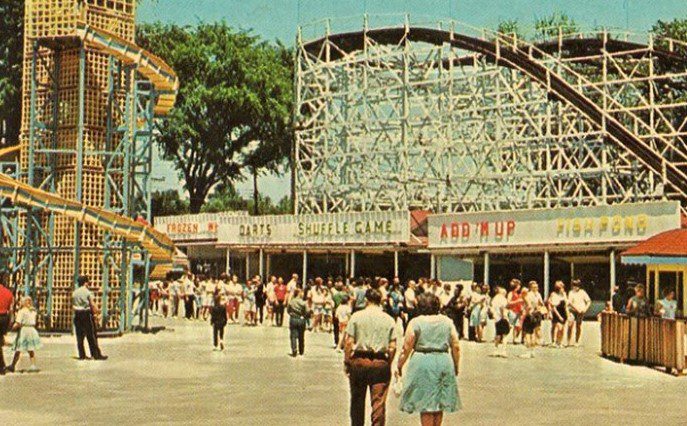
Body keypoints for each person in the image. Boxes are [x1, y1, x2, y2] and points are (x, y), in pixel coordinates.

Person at [397, 292, 461, 426]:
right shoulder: (447, 321)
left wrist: (399, 365)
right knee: (439, 401)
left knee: (426, 402)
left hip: (423, 361)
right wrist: (456, 365)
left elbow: (406, 347)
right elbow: (455, 345)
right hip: (443, 360)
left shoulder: (416, 322)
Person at [344, 288, 397, 426]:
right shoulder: (389, 319)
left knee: (357, 400)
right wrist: (388, 362)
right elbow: (393, 346)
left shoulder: (356, 316)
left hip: (360, 360)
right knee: (378, 402)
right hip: (380, 361)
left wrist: (347, 361)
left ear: (366, 300)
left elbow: (348, 342)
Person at [73, 276, 108, 360]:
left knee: (79, 336)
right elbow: (92, 304)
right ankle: (96, 354)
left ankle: (82, 355)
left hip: (77, 314)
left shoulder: (74, 293)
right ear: (85, 282)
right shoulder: (87, 292)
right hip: (86, 314)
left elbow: (73, 305)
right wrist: (97, 311)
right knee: (91, 335)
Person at [5, 296, 42, 373]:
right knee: (31, 348)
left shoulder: (22, 311)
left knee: (18, 348)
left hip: (24, 330)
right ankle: (33, 365)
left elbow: (18, 323)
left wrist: (10, 329)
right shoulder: (33, 311)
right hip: (32, 330)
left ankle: (13, 365)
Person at [567, 279, 591, 347]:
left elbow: (588, 301)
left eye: (577, 285)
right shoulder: (571, 292)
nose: (575, 287)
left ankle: (577, 341)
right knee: (570, 324)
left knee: (578, 325)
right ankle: (568, 340)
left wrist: (585, 309)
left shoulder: (583, 292)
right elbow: (570, 302)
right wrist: (576, 309)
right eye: (574, 285)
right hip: (573, 310)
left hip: (581, 311)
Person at [287, 288, 309, 357]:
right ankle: (301, 350)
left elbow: (288, 310)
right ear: (299, 294)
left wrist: (292, 314)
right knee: (301, 336)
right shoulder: (303, 303)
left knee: (293, 335)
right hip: (301, 319)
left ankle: (294, 350)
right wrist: (304, 316)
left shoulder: (291, 302)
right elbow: (307, 311)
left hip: (293, 319)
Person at [490, 286, 510, 358]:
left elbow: (491, 309)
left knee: (498, 334)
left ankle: (496, 350)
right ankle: (503, 351)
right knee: (505, 334)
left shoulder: (494, 299)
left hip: (496, 318)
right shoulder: (503, 299)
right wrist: (503, 316)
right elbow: (502, 307)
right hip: (502, 317)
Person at [547, 281, 568, 348]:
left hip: (563, 311)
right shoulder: (553, 294)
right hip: (556, 312)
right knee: (557, 327)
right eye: (561, 288)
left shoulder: (564, 294)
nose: (563, 289)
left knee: (562, 328)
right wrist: (558, 316)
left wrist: (568, 314)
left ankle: (560, 342)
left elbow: (566, 305)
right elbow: (554, 307)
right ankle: (553, 341)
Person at [0, 274, 14, 374]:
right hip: (4, 318)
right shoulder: (9, 293)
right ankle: (2, 366)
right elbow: (11, 310)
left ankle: (2, 366)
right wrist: (10, 322)